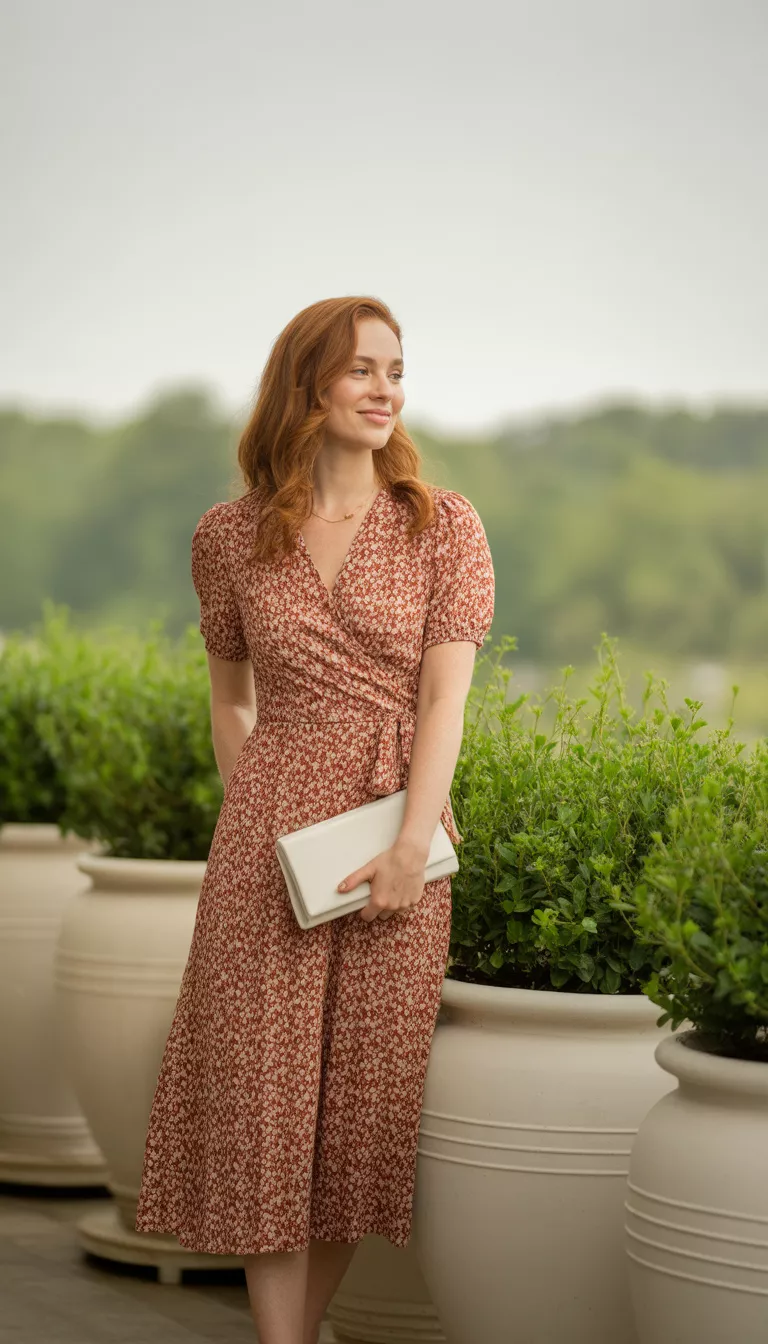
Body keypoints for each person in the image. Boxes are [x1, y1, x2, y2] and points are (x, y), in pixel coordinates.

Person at [134, 295, 495, 1344]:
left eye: (397, 370)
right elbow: (231, 699)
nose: (387, 389)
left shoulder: (442, 524)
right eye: (362, 370)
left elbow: (443, 700)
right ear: (308, 386)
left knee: (355, 1117)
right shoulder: (230, 538)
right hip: (265, 852)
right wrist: (263, 816)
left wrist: (410, 844)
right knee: (263, 1109)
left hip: (400, 839)